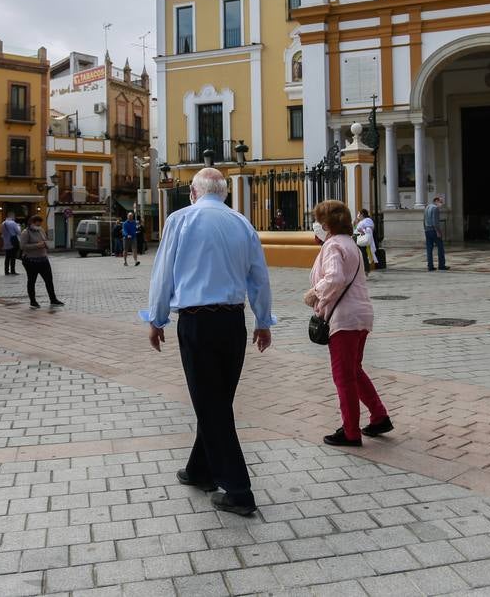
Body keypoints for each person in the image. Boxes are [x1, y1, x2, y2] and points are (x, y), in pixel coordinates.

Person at [142, 167, 274, 517]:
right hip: (234, 322)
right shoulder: (242, 223)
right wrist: (263, 321)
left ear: (193, 192)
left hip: (198, 322)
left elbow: (163, 271)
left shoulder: (181, 220)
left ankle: (238, 490)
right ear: (225, 192)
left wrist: (156, 319)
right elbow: (259, 276)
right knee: (217, 399)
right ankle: (200, 470)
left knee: (211, 403)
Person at [306, 200, 392, 447]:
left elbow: (335, 277)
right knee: (354, 370)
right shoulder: (349, 243)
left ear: (326, 224)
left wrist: (315, 293)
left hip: (343, 319)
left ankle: (351, 431)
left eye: (318, 221)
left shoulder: (333, 246)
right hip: (361, 315)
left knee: (344, 376)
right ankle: (379, 416)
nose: (315, 225)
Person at [18, 215, 64, 309]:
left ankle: (53, 299)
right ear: (31, 223)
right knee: (32, 281)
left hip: (43, 259)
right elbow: (23, 246)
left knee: (49, 280)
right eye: (37, 223)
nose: (39, 224)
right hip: (31, 261)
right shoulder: (26, 233)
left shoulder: (41, 230)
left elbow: (45, 240)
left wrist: (46, 244)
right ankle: (33, 301)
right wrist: (37, 245)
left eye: (40, 223)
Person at [424, 195, 449, 271]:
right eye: (440, 202)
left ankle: (430, 266)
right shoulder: (435, 208)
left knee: (429, 249)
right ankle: (441, 265)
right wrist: (438, 232)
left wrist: (425, 229)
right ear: (436, 201)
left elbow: (423, 220)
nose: (441, 204)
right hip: (434, 231)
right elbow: (435, 222)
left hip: (427, 230)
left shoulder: (427, 207)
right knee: (440, 248)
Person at [354, 208, 376, 274]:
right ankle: (362, 270)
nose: (358, 215)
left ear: (362, 214)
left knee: (363, 254)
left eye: (359, 213)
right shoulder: (362, 221)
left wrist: (363, 231)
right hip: (358, 238)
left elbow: (369, 229)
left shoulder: (367, 220)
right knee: (360, 255)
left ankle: (366, 270)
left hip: (362, 239)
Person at [1, 211, 22, 276]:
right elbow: (18, 232)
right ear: (12, 216)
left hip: (6, 242)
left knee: (7, 257)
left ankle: (6, 271)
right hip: (13, 242)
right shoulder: (13, 223)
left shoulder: (3, 223)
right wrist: (19, 226)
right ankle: (13, 270)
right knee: (13, 257)